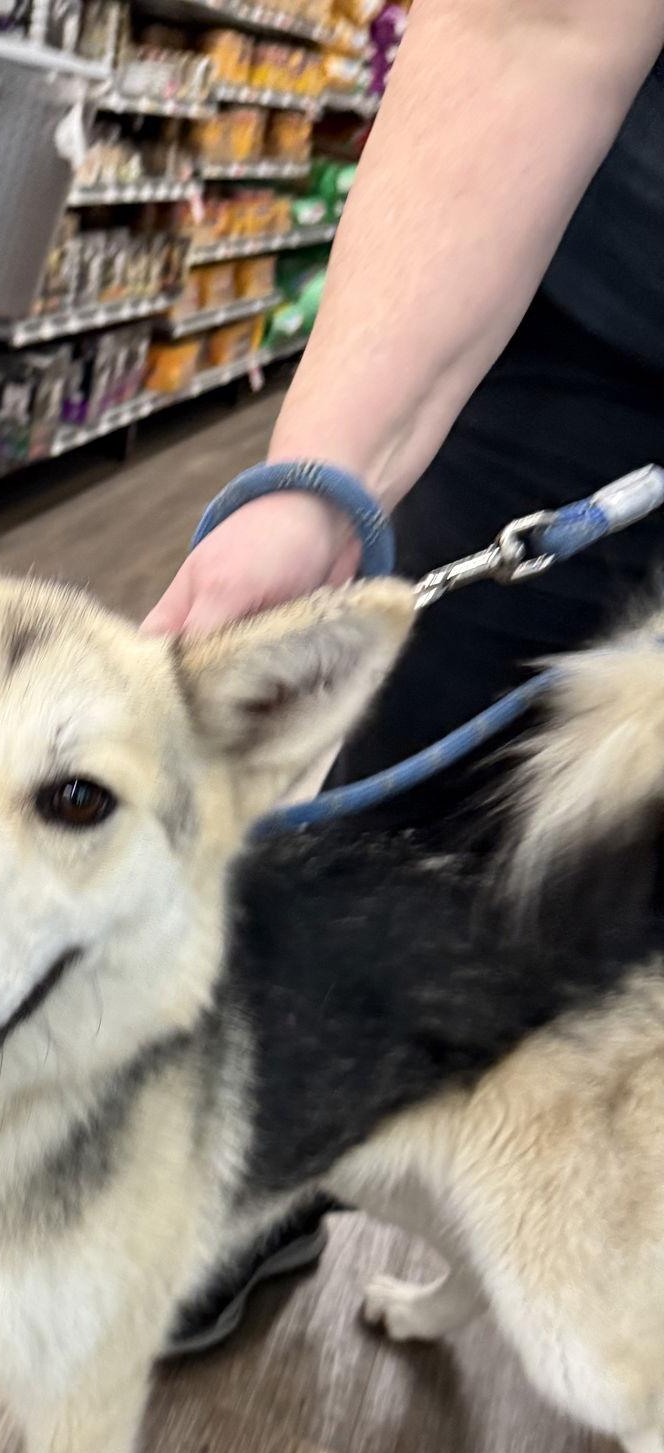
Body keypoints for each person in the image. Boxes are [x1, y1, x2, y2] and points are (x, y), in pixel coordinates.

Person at [145, 0, 664, 1354]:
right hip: (592, 325)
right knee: (394, 847)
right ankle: (259, 1172)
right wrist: (318, 489)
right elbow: (531, 27)